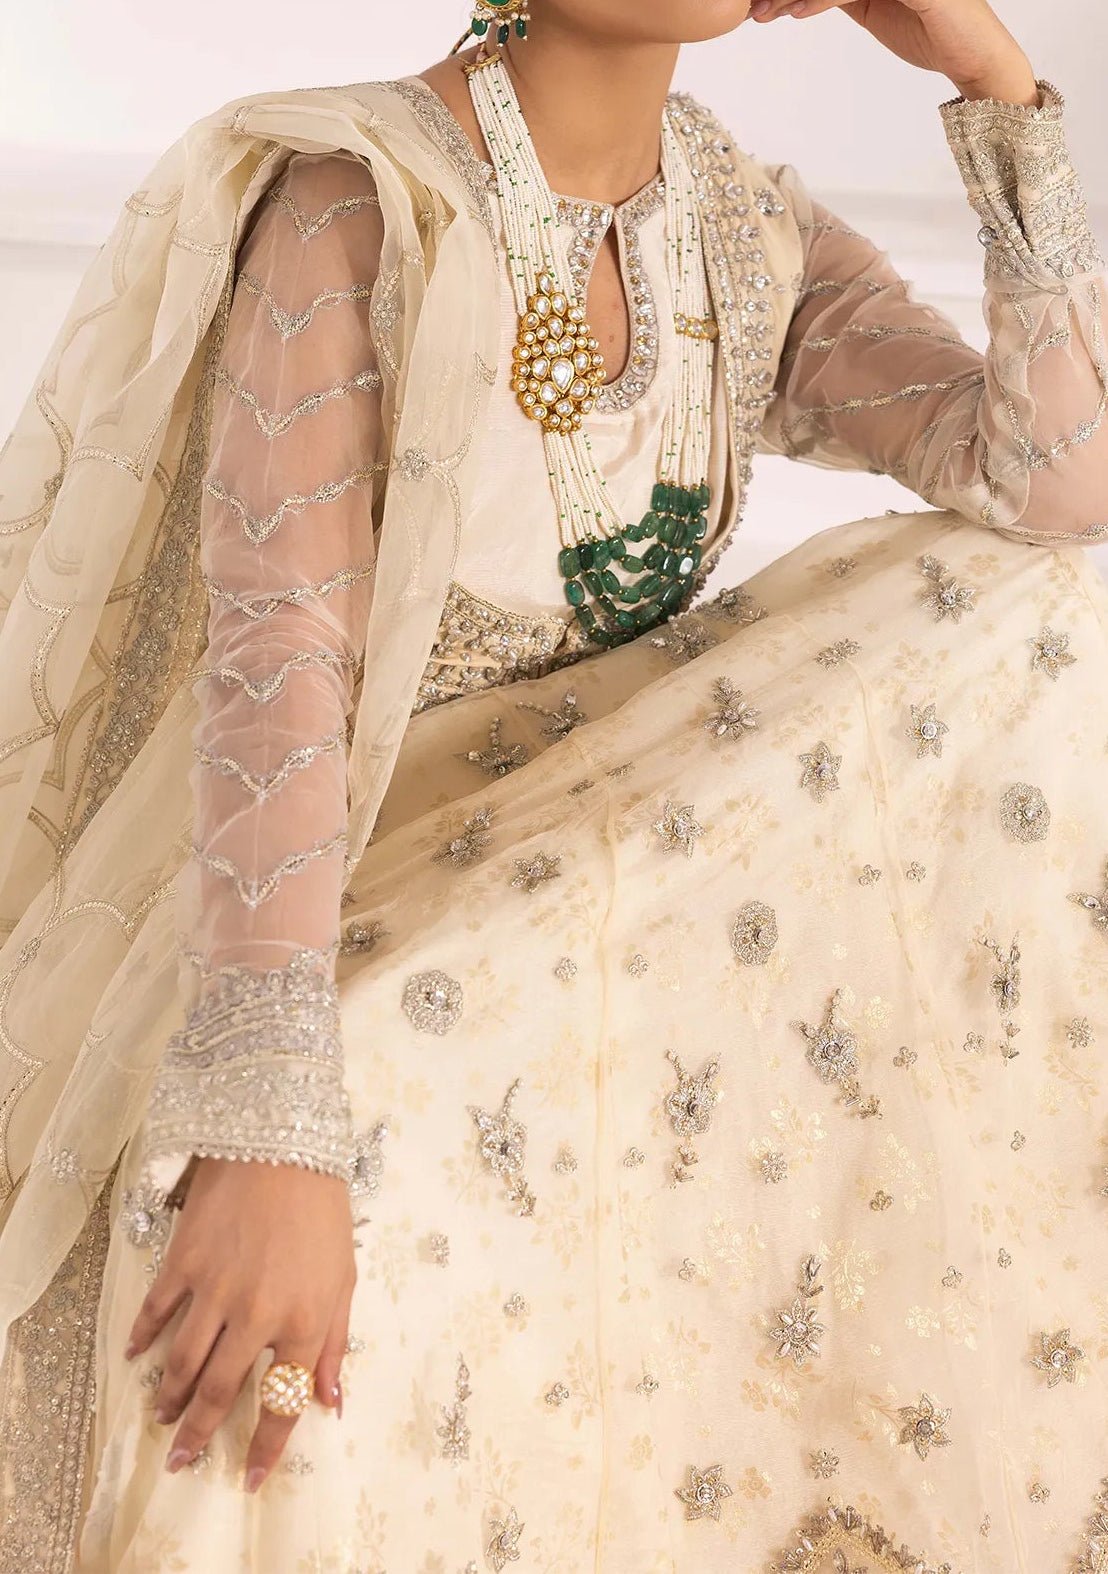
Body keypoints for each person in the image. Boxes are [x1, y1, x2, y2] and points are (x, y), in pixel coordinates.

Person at [0, 0, 1105, 1567]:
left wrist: (993, 80)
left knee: (1035, 605)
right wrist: (268, 1120)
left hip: (603, 891)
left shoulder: (744, 230)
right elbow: (278, 664)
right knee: (368, 1164)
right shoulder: (360, 202)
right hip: (347, 887)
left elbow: (1055, 489)